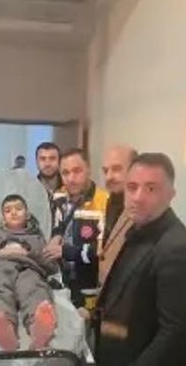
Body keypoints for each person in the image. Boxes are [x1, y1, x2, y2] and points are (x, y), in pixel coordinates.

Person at [95, 153, 186, 365]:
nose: (137, 197)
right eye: (132, 187)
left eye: (151, 189)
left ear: (171, 194)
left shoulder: (176, 247)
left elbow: (174, 333)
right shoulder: (138, 230)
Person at [0, 194, 58, 351]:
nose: (13, 212)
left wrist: (28, 252)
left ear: (27, 214)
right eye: (8, 211)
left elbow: (50, 265)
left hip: (29, 268)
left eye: (18, 209)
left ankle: (39, 328)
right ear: (3, 217)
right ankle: (4, 328)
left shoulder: (37, 237)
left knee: (34, 288)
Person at [46, 148, 109, 314]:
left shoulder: (105, 203)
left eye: (77, 171)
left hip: (89, 286)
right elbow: (57, 224)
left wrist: (66, 251)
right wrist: (56, 236)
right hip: (61, 283)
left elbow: (104, 253)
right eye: (65, 173)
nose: (71, 179)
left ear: (89, 169)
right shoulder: (58, 196)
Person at [99, 144, 137, 287]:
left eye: (116, 169)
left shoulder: (142, 211)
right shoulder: (111, 201)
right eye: (105, 171)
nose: (109, 177)